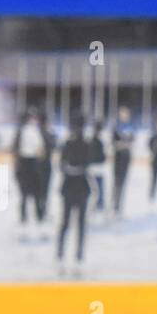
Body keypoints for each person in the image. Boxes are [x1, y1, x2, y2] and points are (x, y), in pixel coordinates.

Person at [56, 111, 92, 276]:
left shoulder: (84, 144)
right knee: (67, 222)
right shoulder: (67, 144)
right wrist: (71, 169)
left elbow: (86, 163)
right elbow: (62, 165)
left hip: (79, 187)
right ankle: (61, 252)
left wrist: (73, 169)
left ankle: (78, 253)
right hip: (71, 187)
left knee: (79, 223)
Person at [13, 106, 51, 233]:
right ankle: (26, 219)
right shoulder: (23, 132)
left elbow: (41, 150)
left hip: (32, 165)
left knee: (34, 195)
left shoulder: (36, 132)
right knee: (26, 195)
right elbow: (16, 150)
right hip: (27, 165)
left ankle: (38, 217)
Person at [111, 106, 134, 218]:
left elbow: (131, 143)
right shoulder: (116, 127)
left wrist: (125, 145)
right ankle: (114, 206)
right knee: (116, 182)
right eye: (122, 113)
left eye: (126, 113)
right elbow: (114, 143)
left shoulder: (131, 128)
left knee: (122, 183)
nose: (124, 115)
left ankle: (119, 207)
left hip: (126, 157)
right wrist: (122, 145)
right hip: (118, 157)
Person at [87, 117, 108, 218]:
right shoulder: (95, 140)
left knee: (99, 188)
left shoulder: (96, 139)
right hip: (95, 167)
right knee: (96, 188)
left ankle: (99, 204)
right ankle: (97, 205)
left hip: (97, 167)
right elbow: (99, 155)